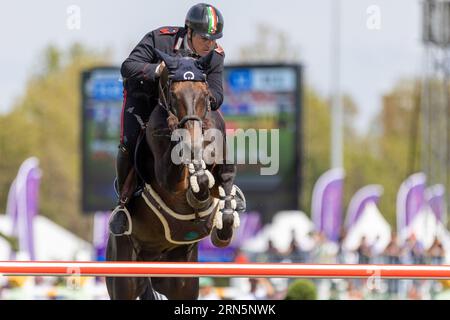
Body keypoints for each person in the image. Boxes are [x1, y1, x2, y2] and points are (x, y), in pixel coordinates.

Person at [110, 3, 226, 235]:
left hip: (184, 107)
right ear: (189, 32)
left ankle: (226, 192)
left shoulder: (214, 55)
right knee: (129, 141)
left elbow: (217, 96)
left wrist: (197, 95)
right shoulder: (159, 39)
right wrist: (157, 70)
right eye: (204, 38)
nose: (210, 44)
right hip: (145, 98)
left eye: (214, 39)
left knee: (217, 128)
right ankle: (124, 203)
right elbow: (127, 67)